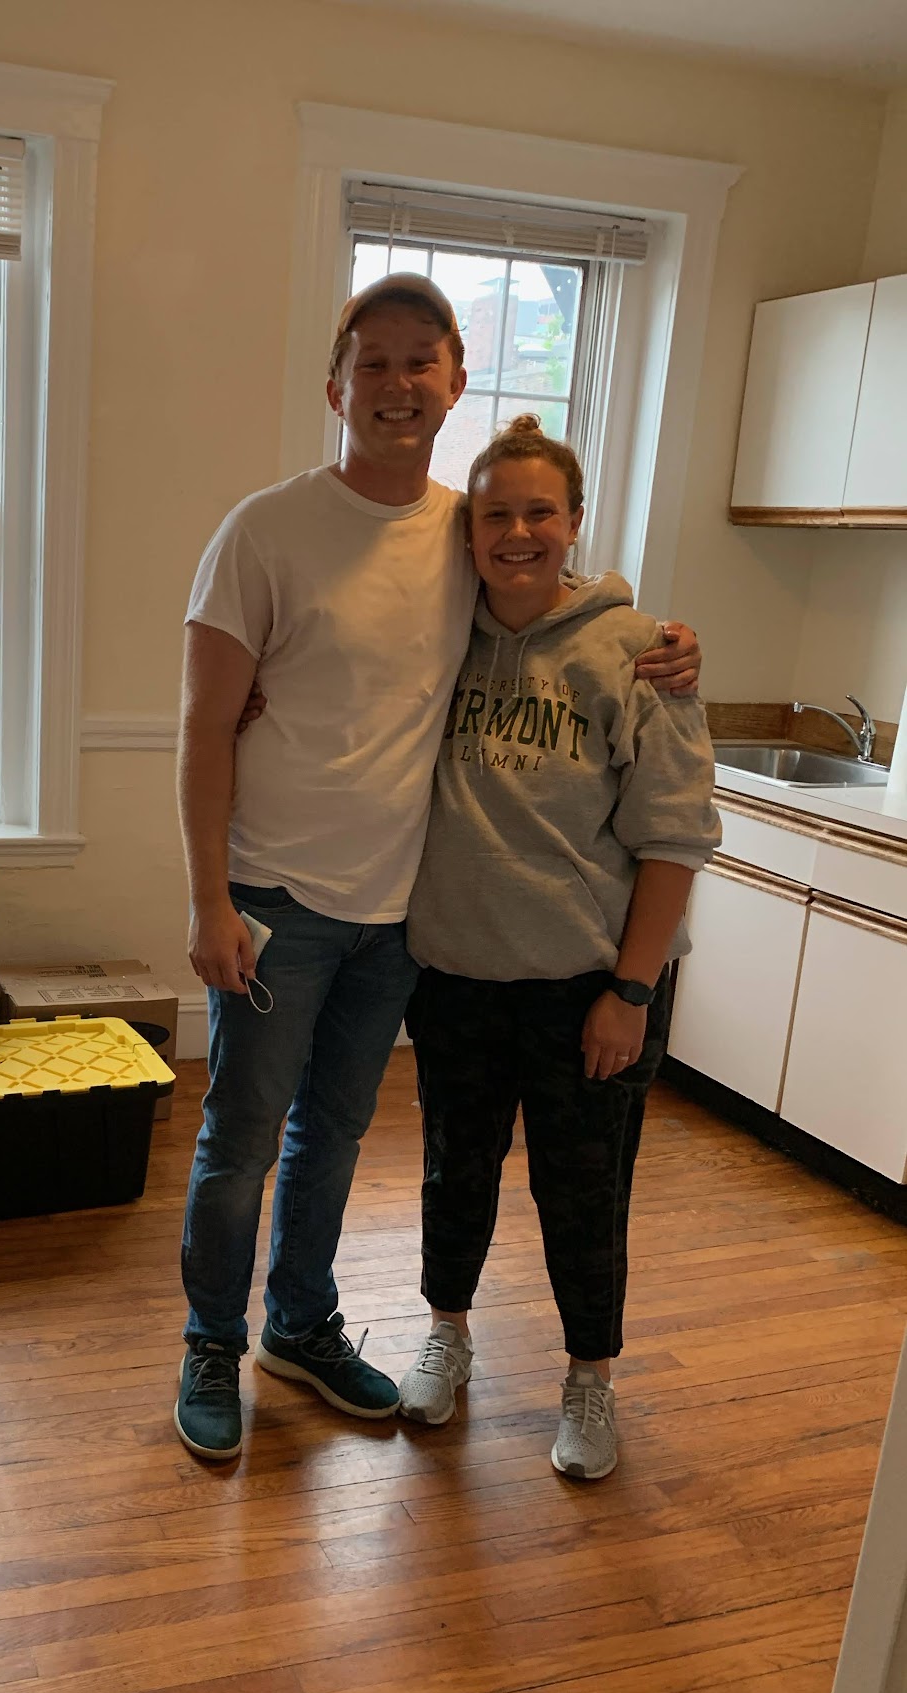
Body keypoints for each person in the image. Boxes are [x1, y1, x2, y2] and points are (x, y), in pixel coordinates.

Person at [173, 273, 701, 1462]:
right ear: (336, 385)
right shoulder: (263, 529)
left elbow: (557, 594)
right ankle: (212, 1339)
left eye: (424, 361)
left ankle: (297, 1323)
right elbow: (205, 724)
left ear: (457, 381)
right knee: (242, 1135)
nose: (399, 384)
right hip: (273, 901)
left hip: (401, 922)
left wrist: (668, 639)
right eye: (375, 362)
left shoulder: (465, 538)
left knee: (335, 1136)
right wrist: (208, 898)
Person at [396, 413, 720, 1480]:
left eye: (541, 511)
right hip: (454, 977)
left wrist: (631, 989)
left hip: (590, 986)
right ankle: (448, 1331)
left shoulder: (637, 656)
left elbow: (673, 840)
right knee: (455, 1171)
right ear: (469, 530)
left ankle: (591, 1377)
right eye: (497, 514)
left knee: (584, 1193)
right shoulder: (437, 635)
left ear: (574, 522)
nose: (518, 532)